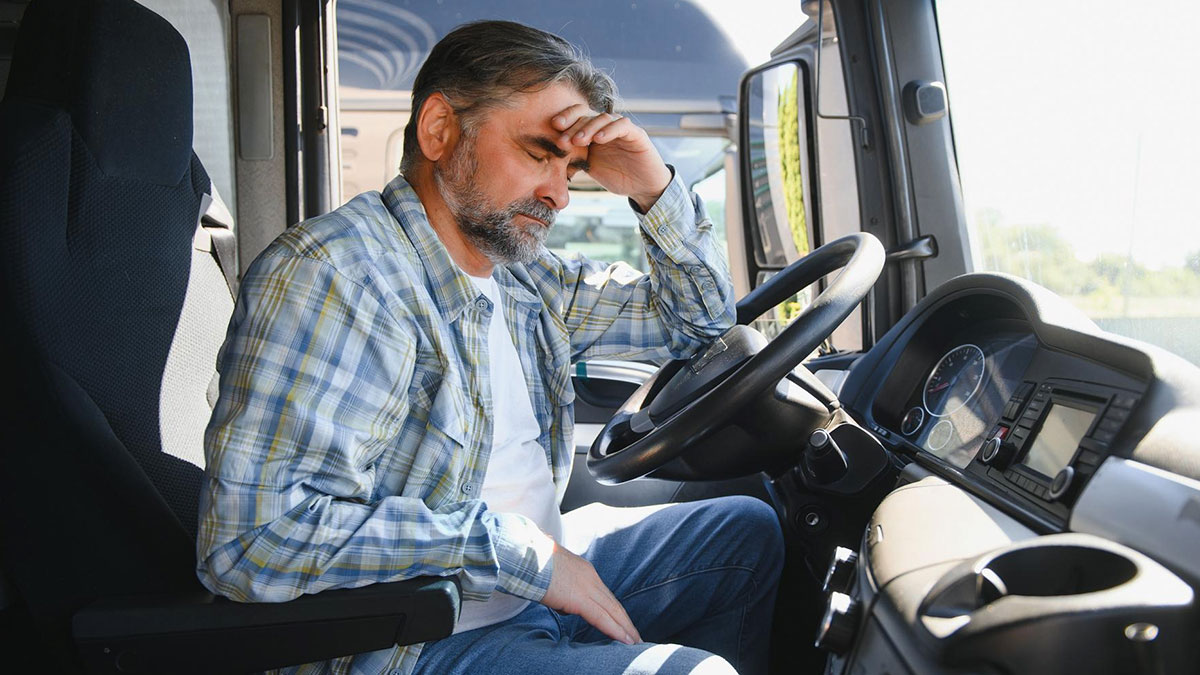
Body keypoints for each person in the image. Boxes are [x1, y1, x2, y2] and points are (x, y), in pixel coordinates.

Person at [197, 20, 783, 675]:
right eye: (539, 154)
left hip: (525, 581)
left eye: (571, 167)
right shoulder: (336, 275)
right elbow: (250, 544)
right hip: (418, 636)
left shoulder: (523, 276)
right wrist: (513, 552)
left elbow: (701, 325)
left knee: (747, 533)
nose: (560, 193)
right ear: (441, 130)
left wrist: (653, 189)